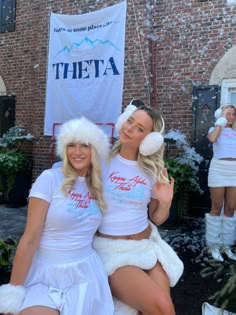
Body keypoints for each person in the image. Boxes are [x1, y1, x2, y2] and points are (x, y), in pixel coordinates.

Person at [0, 117, 114, 315]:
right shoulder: (49, 179)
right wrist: (13, 291)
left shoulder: (98, 187)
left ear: (94, 150)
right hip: (45, 274)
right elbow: (30, 238)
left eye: (84, 146)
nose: (77, 152)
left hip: (85, 275)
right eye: (71, 145)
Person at [93, 102, 184, 315]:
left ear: (150, 141)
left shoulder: (153, 170)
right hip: (112, 251)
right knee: (163, 308)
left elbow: (157, 218)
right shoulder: (100, 160)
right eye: (130, 121)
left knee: (160, 307)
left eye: (140, 128)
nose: (129, 128)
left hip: (147, 246)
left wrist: (165, 202)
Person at [205, 103, 236, 262]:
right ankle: (213, 245)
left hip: (234, 170)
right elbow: (212, 139)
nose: (230, 116)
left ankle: (226, 245)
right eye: (227, 113)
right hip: (218, 169)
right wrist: (220, 123)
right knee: (216, 207)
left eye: (232, 114)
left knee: (230, 208)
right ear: (220, 114)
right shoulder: (214, 129)